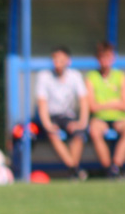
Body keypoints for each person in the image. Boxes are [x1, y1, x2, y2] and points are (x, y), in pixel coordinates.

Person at [36, 46, 90, 180]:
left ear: (68, 61)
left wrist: (82, 123)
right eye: (55, 60)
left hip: (68, 116)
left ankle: (73, 170)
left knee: (78, 135)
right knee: (53, 134)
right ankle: (74, 169)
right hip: (51, 117)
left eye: (61, 60)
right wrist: (48, 125)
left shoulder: (75, 76)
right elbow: (42, 104)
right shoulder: (44, 76)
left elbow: (84, 101)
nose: (58, 63)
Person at [85, 41, 125, 179]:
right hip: (100, 118)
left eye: (108, 57)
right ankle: (107, 168)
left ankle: (116, 167)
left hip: (119, 117)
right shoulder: (91, 77)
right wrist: (114, 102)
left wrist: (103, 103)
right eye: (102, 57)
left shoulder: (120, 76)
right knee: (94, 131)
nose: (105, 61)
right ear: (97, 58)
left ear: (113, 58)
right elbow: (93, 106)